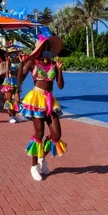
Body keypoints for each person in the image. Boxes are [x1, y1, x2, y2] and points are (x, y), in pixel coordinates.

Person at [18, 36, 66, 181]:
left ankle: (41, 158)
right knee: (39, 134)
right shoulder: (32, 62)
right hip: (36, 99)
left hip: (50, 100)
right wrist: (21, 65)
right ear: (39, 49)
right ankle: (33, 166)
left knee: (56, 135)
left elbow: (60, 86)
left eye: (49, 48)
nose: (48, 50)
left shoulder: (53, 64)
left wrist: (59, 70)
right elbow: (19, 80)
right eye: (45, 47)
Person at [1, 52, 21, 123]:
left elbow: (20, 71)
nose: (14, 55)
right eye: (13, 53)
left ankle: (15, 115)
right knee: (8, 99)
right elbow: (7, 71)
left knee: (17, 99)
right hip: (10, 80)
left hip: (16, 81)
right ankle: (10, 116)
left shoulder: (19, 60)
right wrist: (8, 81)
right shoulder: (8, 61)